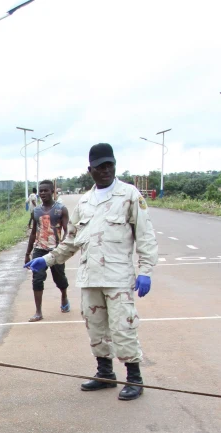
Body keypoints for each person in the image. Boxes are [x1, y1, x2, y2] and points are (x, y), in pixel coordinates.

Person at [25, 143, 158, 400]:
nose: (105, 170)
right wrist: (48, 259)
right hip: (90, 277)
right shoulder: (85, 202)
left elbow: (145, 235)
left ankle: (134, 378)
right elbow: (71, 241)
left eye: (109, 165)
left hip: (118, 278)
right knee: (95, 328)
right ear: (91, 170)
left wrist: (146, 270)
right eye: (100, 167)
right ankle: (105, 374)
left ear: (114, 166)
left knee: (123, 327)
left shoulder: (129, 195)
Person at [24, 179, 70, 321]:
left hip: (56, 250)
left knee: (60, 279)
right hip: (39, 249)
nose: (43, 193)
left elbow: (67, 230)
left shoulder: (60, 209)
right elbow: (33, 233)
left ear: (52, 192)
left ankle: (64, 296)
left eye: (46, 190)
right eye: (41, 191)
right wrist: (28, 253)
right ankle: (38, 311)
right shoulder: (36, 211)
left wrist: (63, 244)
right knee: (37, 279)